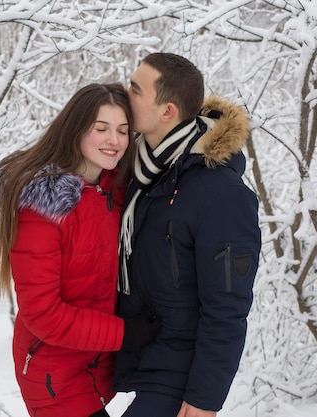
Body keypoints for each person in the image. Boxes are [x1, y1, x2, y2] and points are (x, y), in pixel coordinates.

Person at [0, 83, 161, 417]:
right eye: (101, 129)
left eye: (123, 131)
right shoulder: (44, 207)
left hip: (97, 369)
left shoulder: (114, 191)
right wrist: (125, 333)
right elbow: (43, 313)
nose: (114, 141)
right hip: (54, 377)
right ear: (76, 129)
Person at [113, 53, 261, 417]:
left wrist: (204, 400)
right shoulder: (142, 172)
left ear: (167, 111)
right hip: (141, 359)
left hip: (180, 376)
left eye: (135, 89)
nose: (123, 94)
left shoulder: (221, 195)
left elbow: (227, 308)